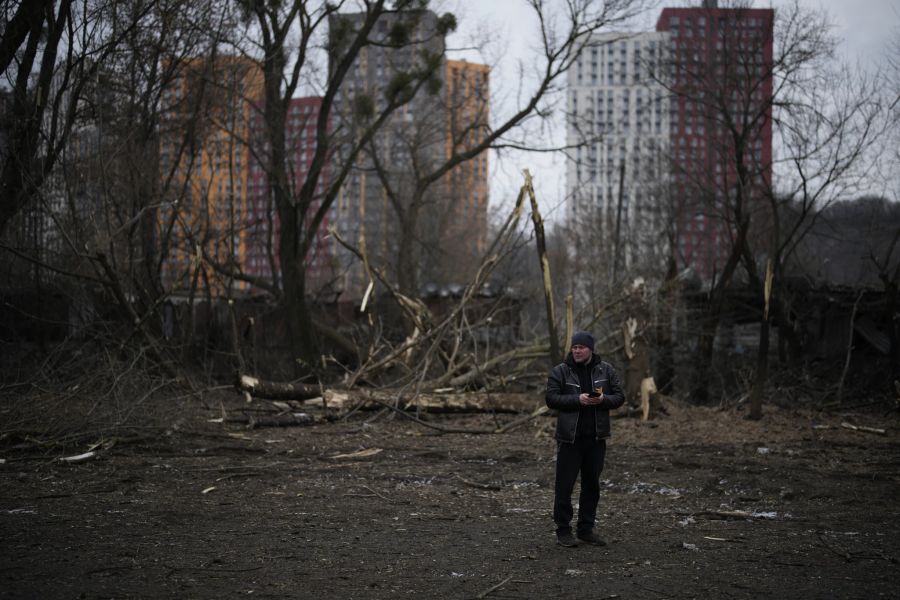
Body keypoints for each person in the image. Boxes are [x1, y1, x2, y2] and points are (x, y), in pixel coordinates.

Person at [545, 331, 624, 547]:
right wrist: (577, 399)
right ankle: (563, 531)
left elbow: (619, 397)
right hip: (570, 439)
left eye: (581, 347)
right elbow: (551, 398)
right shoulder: (560, 371)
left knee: (592, 486)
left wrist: (603, 399)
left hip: (596, 439)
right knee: (564, 486)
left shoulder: (605, 370)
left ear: (591, 349)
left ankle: (586, 529)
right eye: (574, 347)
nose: (577, 351)